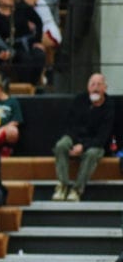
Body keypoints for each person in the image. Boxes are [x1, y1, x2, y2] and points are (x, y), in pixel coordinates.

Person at [52, 73, 114, 202]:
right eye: (92, 84)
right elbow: (70, 126)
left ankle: (77, 189)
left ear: (105, 88)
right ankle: (63, 185)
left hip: (97, 144)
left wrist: (83, 146)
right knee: (61, 145)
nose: (95, 88)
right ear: (88, 87)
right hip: (76, 138)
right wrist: (76, 143)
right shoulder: (79, 100)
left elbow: (102, 138)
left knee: (92, 153)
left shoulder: (109, 107)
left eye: (99, 84)